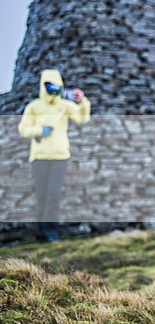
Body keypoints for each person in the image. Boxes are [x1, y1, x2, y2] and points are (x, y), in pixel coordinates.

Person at [18, 69, 91, 242]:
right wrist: (39, 130)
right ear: (43, 86)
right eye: (49, 85)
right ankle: (42, 232)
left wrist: (83, 101)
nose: (53, 89)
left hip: (60, 155)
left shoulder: (65, 105)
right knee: (41, 194)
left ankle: (51, 231)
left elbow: (82, 119)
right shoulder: (34, 106)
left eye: (56, 85)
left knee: (53, 193)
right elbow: (23, 128)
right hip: (39, 156)